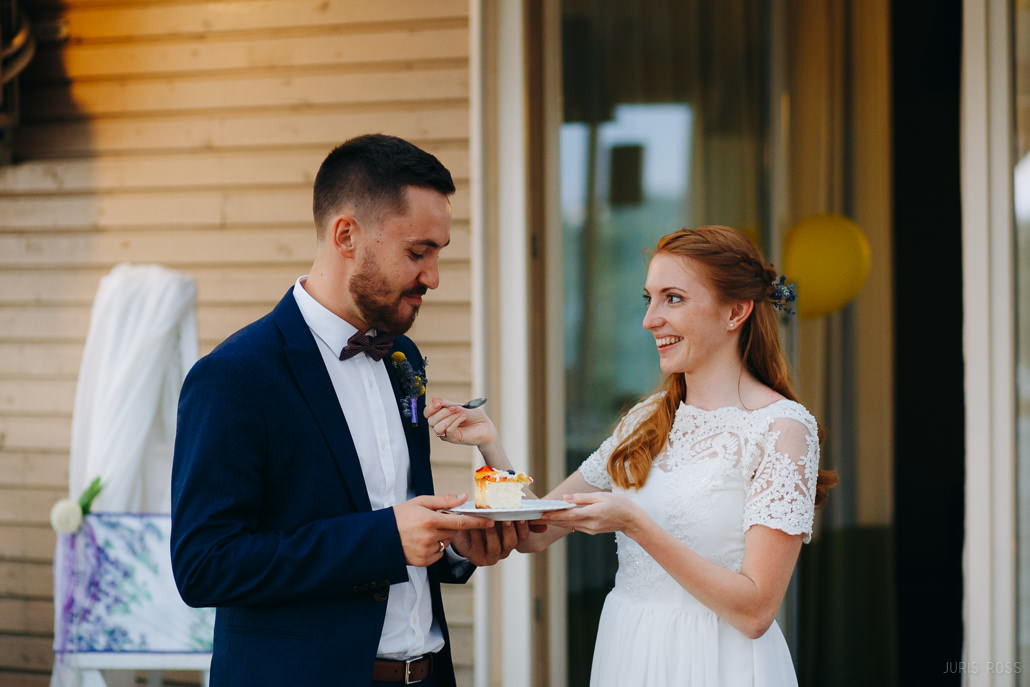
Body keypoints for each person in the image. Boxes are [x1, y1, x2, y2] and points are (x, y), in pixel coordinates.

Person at [171, 134, 523, 687]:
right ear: (346, 236)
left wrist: (454, 547)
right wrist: (383, 540)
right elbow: (204, 565)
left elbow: (396, 512)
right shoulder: (234, 376)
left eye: (438, 253)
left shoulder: (401, 356)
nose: (433, 277)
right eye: (418, 252)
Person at [427, 225, 838, 686]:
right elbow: (537, 533)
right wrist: (490, 442)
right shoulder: (645, 419)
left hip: (718, 663)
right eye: (650, 299)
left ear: (735, 311)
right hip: (630, 651)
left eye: (674, 298)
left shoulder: (782, 428)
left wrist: (635, 523)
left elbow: (756, 611)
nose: (650, 319)